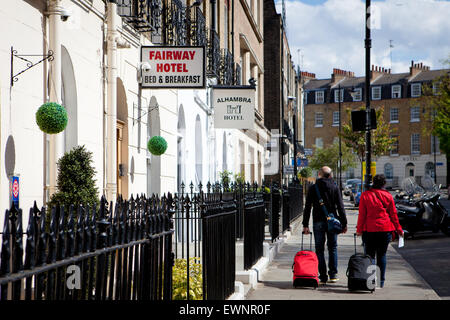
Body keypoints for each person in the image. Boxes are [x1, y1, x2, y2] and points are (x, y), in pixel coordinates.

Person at [356, 174, 404, 288]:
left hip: (369, 230)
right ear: (384, 183)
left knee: (370, 256)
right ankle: (380, 282)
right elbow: (393, 215)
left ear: (373, 182)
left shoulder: (365, 195)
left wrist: (359, 230)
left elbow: (362, 215)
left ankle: (371, 282)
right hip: (385, 229)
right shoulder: (388, 196)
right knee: (382, 255)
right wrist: (399, 229)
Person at [302, 166, 347, 284]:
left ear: (319, 174)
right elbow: (341, 207)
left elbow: (307, 207)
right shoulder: (335, 187)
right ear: (330, 175)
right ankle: (333, 275)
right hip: (332, 221)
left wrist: (305, 224)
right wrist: (344, 223)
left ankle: (322, 276)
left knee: (319, 249)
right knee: (333, 248)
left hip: (318, 221)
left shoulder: (313, 188)